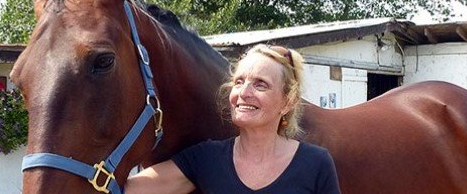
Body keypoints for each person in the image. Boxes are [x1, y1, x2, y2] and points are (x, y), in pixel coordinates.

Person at [126, 43, 341, 194]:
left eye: (260, 84)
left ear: (287, 102)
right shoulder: (207, 159)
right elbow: (126, 189)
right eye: (239, 82)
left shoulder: (315, 163)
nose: (244, 93)